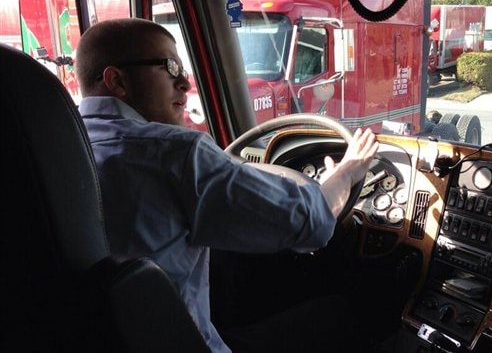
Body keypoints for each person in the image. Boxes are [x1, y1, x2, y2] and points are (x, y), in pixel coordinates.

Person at [74, 18, 379, 352]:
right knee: (339, 312)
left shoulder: (65, 146)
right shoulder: (177, 153)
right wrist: (346, 173)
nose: (185, 82)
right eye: (170, 66)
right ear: (117, 81)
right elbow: (311, 221)